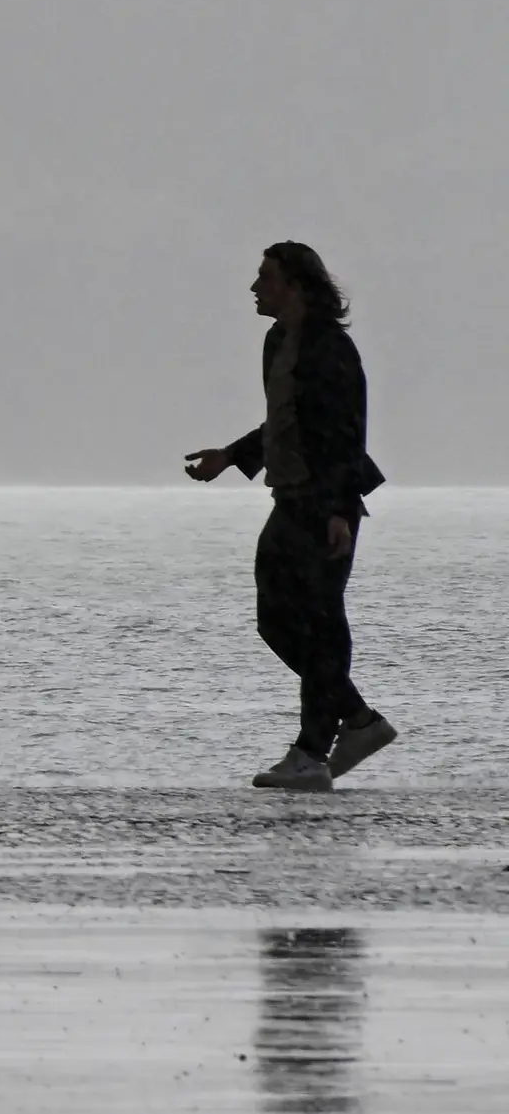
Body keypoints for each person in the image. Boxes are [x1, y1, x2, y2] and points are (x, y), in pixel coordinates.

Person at [185, 242, 393, 792]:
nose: (255, 288)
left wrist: (339, 512)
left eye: (266, 278)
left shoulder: (332, 349)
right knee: (278, 621)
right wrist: (230, 456)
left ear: (296, 286)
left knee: (320, 623)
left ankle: (313, 752)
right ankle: (355, 723)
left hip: (325, 505)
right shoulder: (278, 341)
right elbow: (285, 423)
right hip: (291, 498)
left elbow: (346, 435)